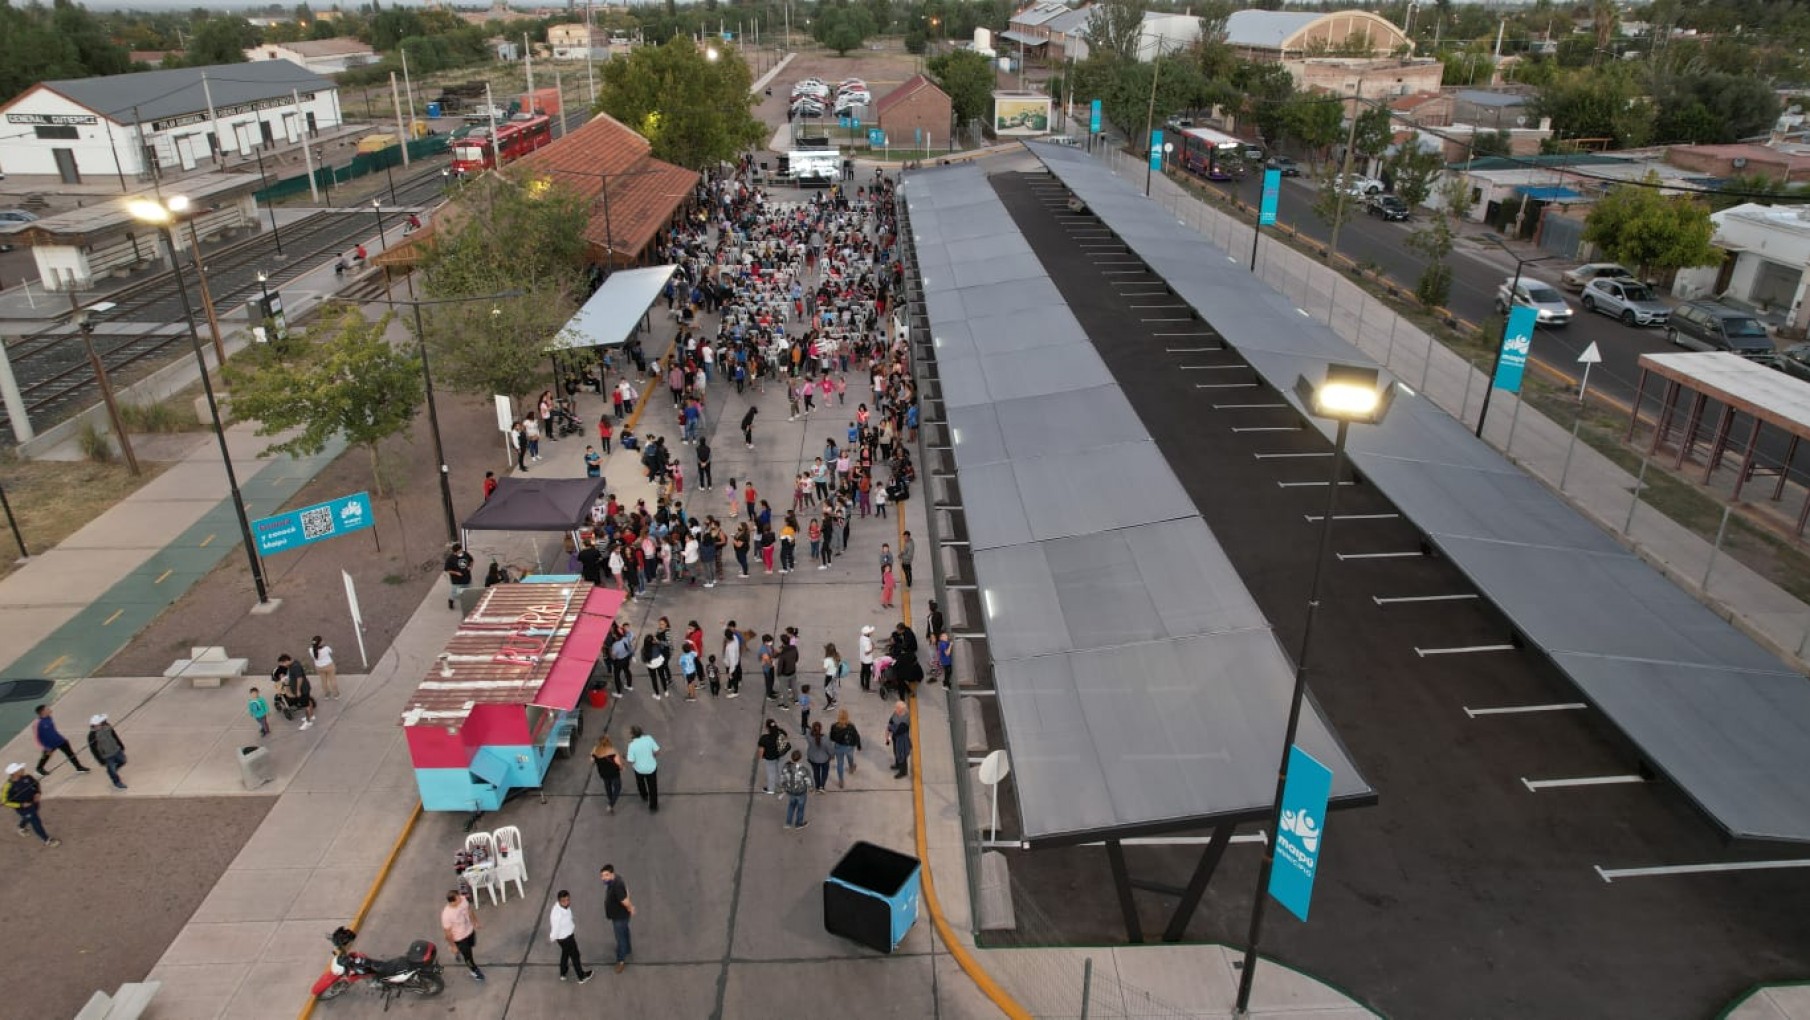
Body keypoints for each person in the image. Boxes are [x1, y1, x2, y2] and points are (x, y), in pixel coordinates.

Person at [2, 763, 57, 846]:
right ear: (15, 773)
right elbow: (4, 802)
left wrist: (38, 793)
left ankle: (21, 827)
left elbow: (36, 784)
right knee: (36, 822)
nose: (23, 769)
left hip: (34, 802)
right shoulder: (7, 786)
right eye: (20, 769)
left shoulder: (27, 777)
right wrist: (21, 805)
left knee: (29, 817)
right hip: (24, 808)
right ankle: (47, 840)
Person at [549, 890, 593, 983]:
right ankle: (582, 977)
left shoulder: (564, 907)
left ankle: (563, 972)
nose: (566, 902)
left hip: (565, 937)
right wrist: (553, 937)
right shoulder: (557, 914)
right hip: (566, 938)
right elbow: (555, 928)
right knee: (575, 956)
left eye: (568, 900)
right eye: (563, 901)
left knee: (565, 953)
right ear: (559, 901)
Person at [33, 704, 90, 776]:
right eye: (47, 708)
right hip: (49, 745)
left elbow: (52, 731)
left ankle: (79, 767)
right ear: (43, 711)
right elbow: (36, 738)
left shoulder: (49, 718)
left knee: (70, 753)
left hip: (60, 740)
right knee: (46, 756)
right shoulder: (38, 723)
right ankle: (39, 768)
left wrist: (62, 738)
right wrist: (44, 747)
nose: (49, 709)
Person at [441, 888, 484, 981]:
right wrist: (452, 946)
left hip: (469, 931)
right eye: (458, 899)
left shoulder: (463, 900)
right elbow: (447, 933)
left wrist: (475, 922)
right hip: (459, 938)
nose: (461, 899)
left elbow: (469, 911)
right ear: (452, 902)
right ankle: (474, 971)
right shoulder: (447, 915)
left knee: (472, 944)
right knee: (468, 957)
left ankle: (458, 951)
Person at [599, 865, 635, 973]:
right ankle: (627, 949)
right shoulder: (617, 879)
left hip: (619, 917)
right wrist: (629, 907)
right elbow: (627, 890)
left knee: (620, 939)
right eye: (602, 875)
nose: (603, 878)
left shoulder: (616, 885)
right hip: (622, 915)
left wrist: (630, 907)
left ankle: (621, 961)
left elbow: (624, 900)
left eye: (606, 875)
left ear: (612, 874)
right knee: (625, 931)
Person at [85, 714, 127, 790]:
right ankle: (117, 782)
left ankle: (112, 770)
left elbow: (114, 736)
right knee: (112, 770)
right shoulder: (92, 736)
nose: (104, 722)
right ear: (96, 724)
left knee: (123, 761)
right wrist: (100, 760)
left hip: (116, 750)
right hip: (107, 756)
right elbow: (93, 749)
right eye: (102, 721)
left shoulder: (107, 726)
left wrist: (120, 745)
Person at [625, 724, 660, 812]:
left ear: (632, 734)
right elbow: (657, 751)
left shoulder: (631, 745)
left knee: (640, 783)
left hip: (639, 769)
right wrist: (653, 756)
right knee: (653, 787)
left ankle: (644, 796)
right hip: (651, 768)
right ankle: (653, 806)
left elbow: (631, 761)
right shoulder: (649, 738)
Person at [829, 709, 862, 788]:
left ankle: (841, 780)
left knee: (840, 764)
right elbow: (856, 736)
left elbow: (832, 738)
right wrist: (858, 745)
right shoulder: (851, 726)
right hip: (849, 747)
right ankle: (851, 768)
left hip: (838, 747)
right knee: (850, 757)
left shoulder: (834, 726)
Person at [780, 749, 812, 829]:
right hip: (801, 793)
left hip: (790, 792)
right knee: (800, 808)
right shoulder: (803, 769)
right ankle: (798, 824)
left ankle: (788, 823)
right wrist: (811, 788)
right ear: (800, 758)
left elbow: (782, 778)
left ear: (792, 757)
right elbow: (808, 780)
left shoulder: (786, 767)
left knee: (791, 806)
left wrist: (783, 788)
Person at [591, 734, 623, 814]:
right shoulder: (612, 751)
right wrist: (622, 767)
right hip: (614, 773)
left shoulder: (595, 750)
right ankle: (611, 804)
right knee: (617, 788)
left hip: (603, 773)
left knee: (607, 786)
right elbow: (618, 763)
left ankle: (610, 799)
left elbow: (592, 760)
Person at [756, 718, 789, 795]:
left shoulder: (764, 738)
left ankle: (771, 789)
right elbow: (786, 741)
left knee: (771, 773)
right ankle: (783, 786)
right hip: (781, 756)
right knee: (781, 771)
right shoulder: (782, 732)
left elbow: (761, 752)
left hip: (770, 758)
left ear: (767, 727)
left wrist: (761, 757)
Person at [885, 699, 912, 778]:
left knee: (902, 755)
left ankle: (903, 771)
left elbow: (899, 730)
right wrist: (889, 734)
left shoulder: (906, 718)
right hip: (896, 738)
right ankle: (897, 764)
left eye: (897, 708)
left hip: (902, 740)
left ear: (901, 709)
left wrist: (890, 728)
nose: (895, 709)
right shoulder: (896, 713)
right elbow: (891, 720)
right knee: (896, 752)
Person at [804, 721, 832, 792]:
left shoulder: (809, 737)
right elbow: (829, 749)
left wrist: (812, 730)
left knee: (816, 772)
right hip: (824, 759)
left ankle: (817, 786)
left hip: (813, 759)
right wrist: (831, 755)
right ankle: (822, 786)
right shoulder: (825, 739)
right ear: (821, 729)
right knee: (824, 773)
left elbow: (807, 732)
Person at [445, 544, 474, 610]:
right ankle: (451, 601)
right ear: (455, 552)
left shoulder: (465, 554)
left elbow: (471, 560)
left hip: (467, 578)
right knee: (455, 593)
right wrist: (456, 573)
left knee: (468, 591)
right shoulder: (450, 559)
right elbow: (447, 570)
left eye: (461, 550)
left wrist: (470, 567)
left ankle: (467, 601)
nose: (461, 552)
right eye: (459, 551)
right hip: (456, 581)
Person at [310, 635, 339, 700]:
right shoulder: (326, 648)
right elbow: (331, 652)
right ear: (320, 643)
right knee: (332, 680)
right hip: (329, 665)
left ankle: (327, 694)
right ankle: (336, 694)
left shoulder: (311, 650)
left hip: (319, 667)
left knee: (323, 681)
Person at [858, 625, 877, 693]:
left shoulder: (862, 637)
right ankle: (867, 688)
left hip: (862, 659)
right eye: (870, 632)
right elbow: (866, 652)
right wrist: (873, 648)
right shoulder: (866, 641)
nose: (872, 633)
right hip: (867, 660)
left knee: (863, 672)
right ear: (867, 633)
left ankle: (862, 684)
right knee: (867, 674)